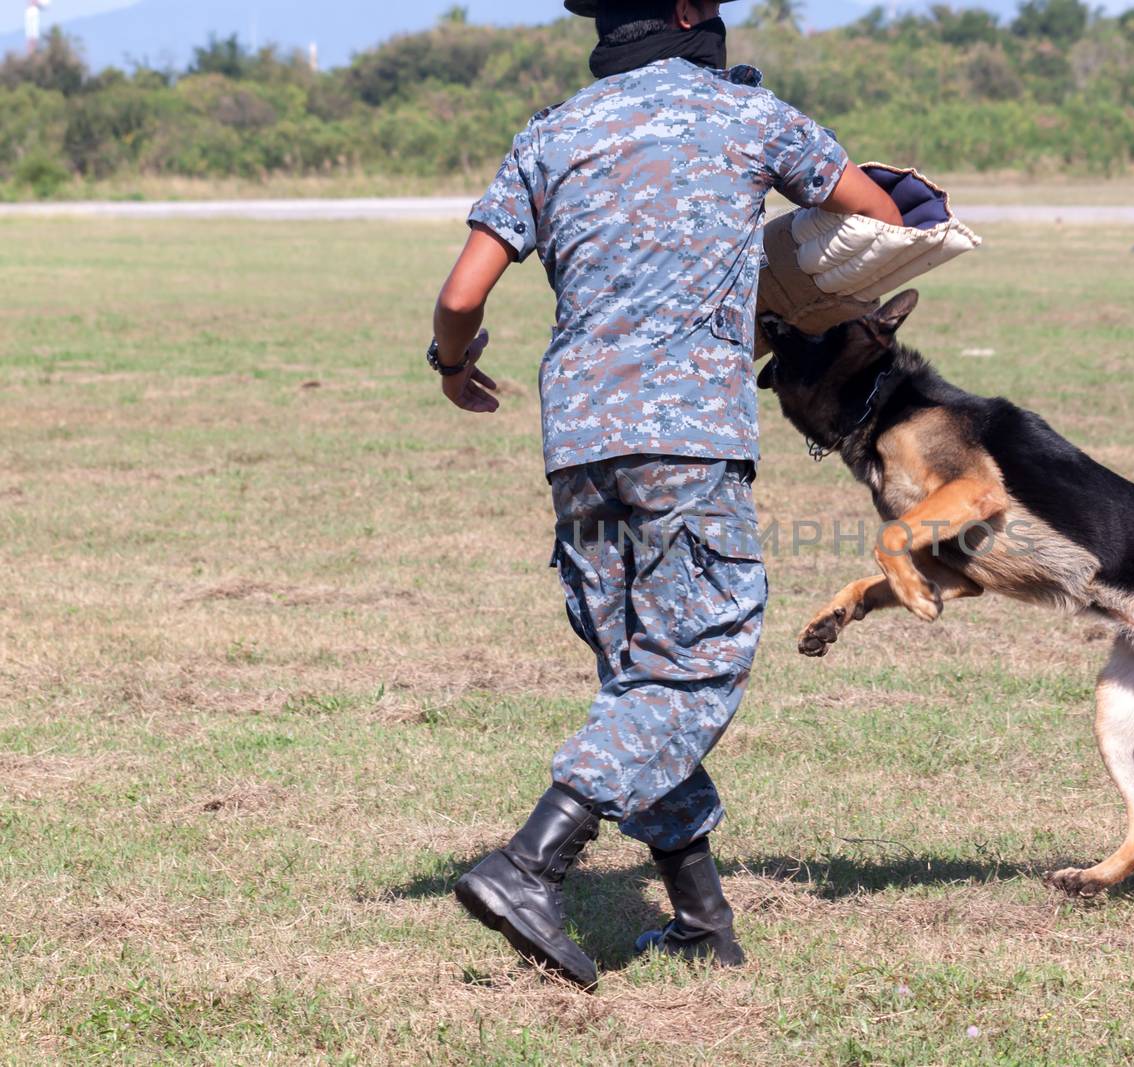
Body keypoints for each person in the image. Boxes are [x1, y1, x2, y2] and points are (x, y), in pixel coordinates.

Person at [425, 0, 902, 987]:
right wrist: (785, 295)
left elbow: (463, 295)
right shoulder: (749, 118)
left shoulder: (551, 132)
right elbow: (878, 218)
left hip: (578, 442)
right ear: (689, 12)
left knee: (639, 675)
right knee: (691, 668)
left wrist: (450, 362)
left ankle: (698, 918)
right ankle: (530, 860)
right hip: (687, 438)